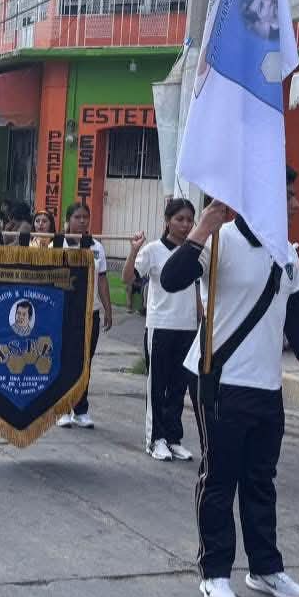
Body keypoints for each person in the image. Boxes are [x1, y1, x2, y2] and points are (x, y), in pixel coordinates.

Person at [160, 170, 299, 597]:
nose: (296, 205)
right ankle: (214, 571)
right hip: (219, 379)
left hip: (266, 384)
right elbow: (173, 280)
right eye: (288, 196)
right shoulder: (221, 241)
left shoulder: (285, 252)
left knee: (261, 479)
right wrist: (202, 228)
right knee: (220, 477)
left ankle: (265, 568)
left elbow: (291, 314)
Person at [125, 198, 198, 463]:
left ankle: (174, 437)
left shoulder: (194, 251)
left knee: (179, 386)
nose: (185, 224)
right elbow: (129, 278)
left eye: (190, 220)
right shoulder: (153, 250)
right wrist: (134, 251)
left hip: (187, 326)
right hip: (161, 325)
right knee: (158, 384)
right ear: (167, 221)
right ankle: (155, 439)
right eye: (180, 219)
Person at [55, 202, 113, 430]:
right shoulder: (56, 244)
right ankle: (62, 408)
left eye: (85, 217)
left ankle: (81, 409)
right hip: (63, 312)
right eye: (77, 217)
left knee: (84, 361)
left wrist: (108, 309)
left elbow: (102, 279)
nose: (82, 221)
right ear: (68, 220)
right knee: (64, 360)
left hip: (90, 313)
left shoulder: (97, 247)